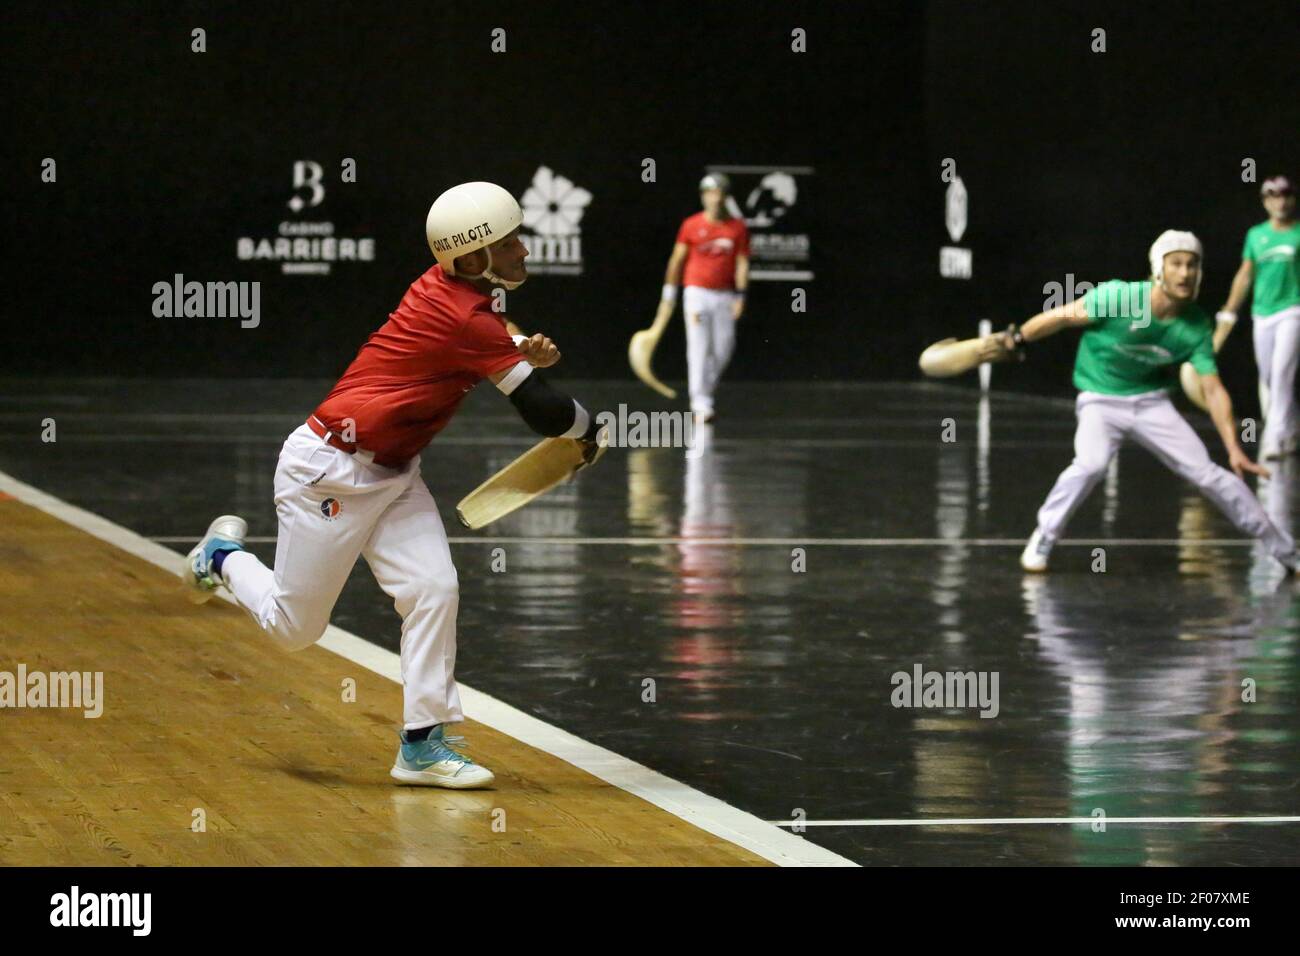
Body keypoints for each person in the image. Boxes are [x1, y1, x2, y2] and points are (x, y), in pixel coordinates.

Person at [180, 182, 603, 788]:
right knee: (295, 629)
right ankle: (221, 557)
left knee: (434, 589)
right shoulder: (466, 315)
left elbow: (478, 336)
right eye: (510, 242)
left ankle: (422, 745)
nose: (524, 250)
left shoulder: (451, 292)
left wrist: (516, 346)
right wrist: (591, 430)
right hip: (327, 471)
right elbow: (544, 412)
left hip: (395, 473)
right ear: (475, 258)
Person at [1009, 229, 1296, 574]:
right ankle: (1044, 536)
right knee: (1091, 464)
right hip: (1101, 399)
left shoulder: (1195, 326)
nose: (1185, 273)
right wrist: (1019, 338)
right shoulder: (1119, 297)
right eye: (1176, 264)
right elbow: (1060, 317)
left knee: (1208, 475)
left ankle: (1288, 552)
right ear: (1158, 269)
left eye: (1192, 265)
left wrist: (1234, 447)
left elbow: (1214, 389)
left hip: (1150, 404)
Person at [1218, 175, 1300, 460]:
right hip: (1262, 314)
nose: (1280, 201)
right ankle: (1290, 431)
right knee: (1267, 376)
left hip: (1293, 311)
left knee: (1281, 375)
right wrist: (1229, 310)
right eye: (1273, 196)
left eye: (1286, 195)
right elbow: (1245, 274)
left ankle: (1273, 439)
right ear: (1265, 201)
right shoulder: (1256, 235)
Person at [658, 173, 750, 423]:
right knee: (698, 348)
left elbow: (742, 263)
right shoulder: (691, 225)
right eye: (709, 193)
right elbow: (677, 260)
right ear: (703, 196)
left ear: (726, 197)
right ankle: (700, 403)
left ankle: (704, 395)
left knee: (724, 348)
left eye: (718, 192)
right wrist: (670, 291)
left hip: (725, 296)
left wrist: (741, 295)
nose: (714, 198)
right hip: (696, 293)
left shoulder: (737, 228)